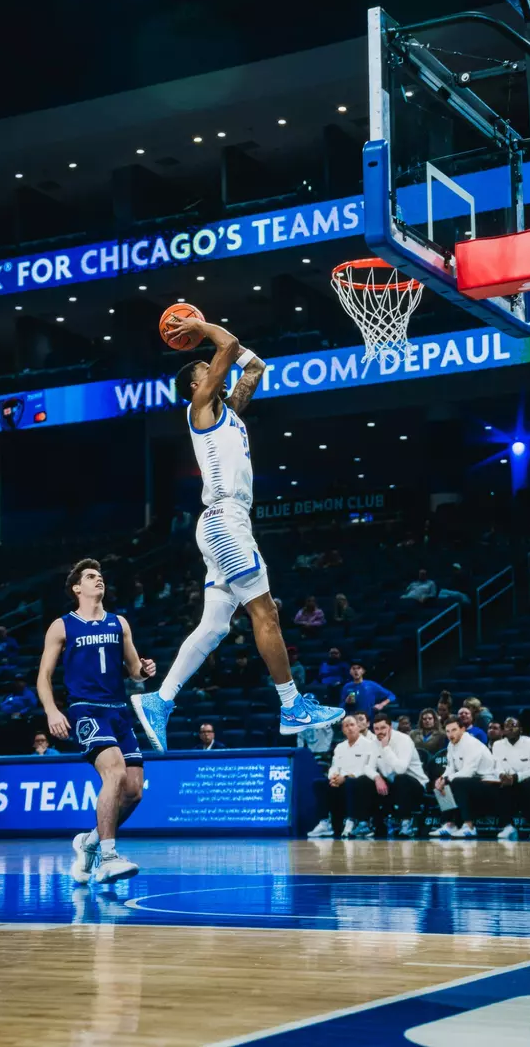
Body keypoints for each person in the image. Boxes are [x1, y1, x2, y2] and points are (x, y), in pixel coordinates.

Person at [131, 318, 342, 749]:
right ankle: (291, 704)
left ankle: (159, 699)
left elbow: (255, 366)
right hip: (224, 520)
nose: (215, 372)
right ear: (197, 387)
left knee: (214, 627)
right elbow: (227, 345)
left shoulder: (227, 411)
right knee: (266, 613)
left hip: (225, 522)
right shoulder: (200, 409)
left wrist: (223, 345)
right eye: (206, 371)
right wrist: (199, 323)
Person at [37, 558, 156, 884]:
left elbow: (134, 671)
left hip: (118, 710)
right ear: (77, 588)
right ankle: (108, 857)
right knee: (114, 773)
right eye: (90, 576)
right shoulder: (62, 625)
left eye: (100, 576)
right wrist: (52, 711)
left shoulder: (119, 623)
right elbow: (43, 676)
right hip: (86, 710)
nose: (98, 579)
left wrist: (144, 670)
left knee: (134, 791)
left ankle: (89, 842)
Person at [307, 714, 377, 840]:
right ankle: (325, 823)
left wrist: (345, 777)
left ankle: (351, 821)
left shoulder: (369, 745)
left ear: (358, 727)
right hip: (341, 781)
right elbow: (334, 766)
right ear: (343, 730)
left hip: (360, 781)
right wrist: (333, 777)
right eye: (346, 726)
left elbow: (367, 768)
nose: (350, 728)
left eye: (352, 725)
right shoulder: (340, 747)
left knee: (351, 782)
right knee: (318, 783)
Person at [430, 717, 496, 838]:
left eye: (454, 730)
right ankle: (449, 825)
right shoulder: (451, 745)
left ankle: (469, 826)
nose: (450, 734)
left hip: (488, 782)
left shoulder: (472, 744)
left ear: (463, 729)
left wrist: (447, 779)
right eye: (447, 731)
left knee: (457, 782)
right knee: (441, 783)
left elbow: (468, 772)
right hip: (470, 781)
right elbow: (450, 768)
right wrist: (442, 779)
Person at [370, 713, 428, 838]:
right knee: (368, 780)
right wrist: (377, 777)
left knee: (400, 779)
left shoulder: (404, 740)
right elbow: (368, 767)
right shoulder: (373, 742)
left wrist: (386, 748)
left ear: (390, 727)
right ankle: (375, 824)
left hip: (415, 785)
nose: (380, 732)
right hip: (392, 784)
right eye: (376, 729)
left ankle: (406, 822)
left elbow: (401, 769)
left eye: (383, 728)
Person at [491, 717, 530, 841]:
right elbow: (496, 767)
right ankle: (508, 826)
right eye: (507, 726)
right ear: (503, 730)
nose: (510, 728)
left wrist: (516, 777)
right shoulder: (497, 745)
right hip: (507, 780)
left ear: (521, 729)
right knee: (497, 784)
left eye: (514, 725)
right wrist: (501, 775)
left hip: (526, 779)